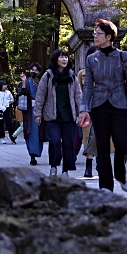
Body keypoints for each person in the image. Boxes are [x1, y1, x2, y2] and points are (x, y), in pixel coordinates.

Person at [77, 19, 127, 193]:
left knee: (121, 144)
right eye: (94, 33)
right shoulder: (91, 59)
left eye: (98, 33)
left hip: (120, 105)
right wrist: (84, 109)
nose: (95, 37)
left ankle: (120, 175)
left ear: (108, 36)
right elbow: (88, 86)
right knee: (102, 146)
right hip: (99, 106)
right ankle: (106, 186)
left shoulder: (124, 57)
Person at [34, 49, 83, 177]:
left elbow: (78, 95)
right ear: (56, 59)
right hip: (51, 115)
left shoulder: (72, 75)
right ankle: (54, 166)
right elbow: (40, 95)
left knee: (68, 143)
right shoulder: (48, 75)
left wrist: (81, 112)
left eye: (66, 57)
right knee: (54, 141)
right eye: (61, 57)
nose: (64, 60)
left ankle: (65, 170)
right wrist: (37, 113)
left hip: (69, 115)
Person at [22, 63, 45, 165]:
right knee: (30, 132)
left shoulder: (42, 82)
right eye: (32, 70)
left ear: (39, 72)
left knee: (39, 132)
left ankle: (37, 152)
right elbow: (21, 92)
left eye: (36, 70)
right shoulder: (26, 82)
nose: (34, 72)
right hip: (29, 111)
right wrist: (23, 82)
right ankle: (32, 155)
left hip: (40, 110)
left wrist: (39, 86)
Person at [77, 68, 97, 178]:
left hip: (102, 107)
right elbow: (79, 92)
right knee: (89, 137)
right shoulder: (82, 73)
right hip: (87, 109)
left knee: (100, 136)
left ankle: (99, 163)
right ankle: (88, 165)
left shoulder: (105, 69)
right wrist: (81, 109)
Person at [0, 80, 15, 144]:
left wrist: (8, 103)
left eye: (5, 85)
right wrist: (1, 107)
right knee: (0, 124)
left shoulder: (8, 92)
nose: (5, 86)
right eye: (3, 85)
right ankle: (2, 137)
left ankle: (12, 137)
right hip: (0, 110)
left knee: (9, 124)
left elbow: (12, 99)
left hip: (7, 109)